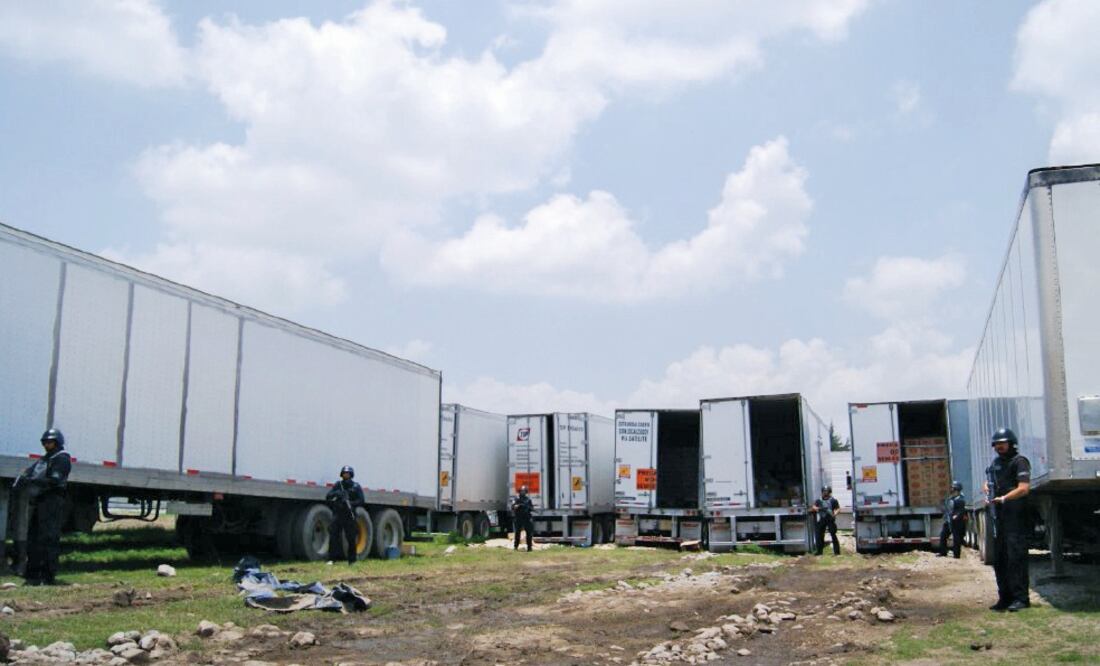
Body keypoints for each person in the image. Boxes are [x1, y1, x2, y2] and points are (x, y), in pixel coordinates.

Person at [983, 428, 1031, 612]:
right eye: (996, 444)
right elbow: (988, 481)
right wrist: (987, 487)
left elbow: (1024, 488)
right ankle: (1005, 598)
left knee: (1015, 558)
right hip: (999, 516)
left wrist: (1004, 498)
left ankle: (1021, 599)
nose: (999, 447)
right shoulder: (995, 463)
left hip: (1015, 516)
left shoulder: (1019, 462)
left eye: (1002, 443)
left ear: (1011, 443)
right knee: (1000, 559)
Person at [18, 428, 71, 585]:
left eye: (50, 442)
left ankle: (47, 576)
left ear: (57, 443)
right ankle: (32, 575)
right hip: (40, 501)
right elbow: (30, 472)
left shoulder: (61, 459)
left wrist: (33, 481)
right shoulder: (44, 459)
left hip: (52, 501)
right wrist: (24, 478)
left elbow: (55, 480)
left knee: (48, 539)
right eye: (45, 442)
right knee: (34, 538)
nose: (47, 445)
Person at [325, 466, 365, 564]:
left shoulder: (355, 486)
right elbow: (328, 496)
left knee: (351, 538)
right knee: (334, 536)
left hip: (349, 514)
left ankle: (352, 560)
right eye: (344, 473)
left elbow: (361, 500)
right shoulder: (338, 485)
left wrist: (351, 503)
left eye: (347, 473)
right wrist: (338, 494)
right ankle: (332, 559)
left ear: (351, 475)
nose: (346, 475)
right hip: (338, 513)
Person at [937, 480, 967, 559]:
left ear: (957, 489)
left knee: (956, 538)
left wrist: (956, 516)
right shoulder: (950, 498)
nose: (952, 490)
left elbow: (961, 510)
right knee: (943, 535)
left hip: (956, 522)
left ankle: (956, 555)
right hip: (949, 520)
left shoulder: (960, 500)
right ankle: (943, 552)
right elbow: (947, 508)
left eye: (953, 488)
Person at [811, 485, 841, 555]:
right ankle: (819, 552)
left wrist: (835, 514)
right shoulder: (819, 500)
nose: (825, 493)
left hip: (830, 519)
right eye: (824, 491)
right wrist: (817, 508)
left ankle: (837, 552)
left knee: (833, 535)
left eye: (827, 491)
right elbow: (814, 506)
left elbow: (838, 509)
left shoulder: (833, 500)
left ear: (829, 492)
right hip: (822, 519)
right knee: (819, 536)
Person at [511, 485, 534, 552]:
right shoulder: (516, 499)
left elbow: (531, 508)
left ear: (526, 492)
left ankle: (529, 547)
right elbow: (512, 507)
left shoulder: (528, 500)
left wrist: (527, 507)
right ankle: (516, 547)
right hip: (518, 518)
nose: (522, 492)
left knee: (529, 533)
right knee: (517, 533)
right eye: (521, 491)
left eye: (524, 491)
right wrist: (516, 506)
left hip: (526, 518)